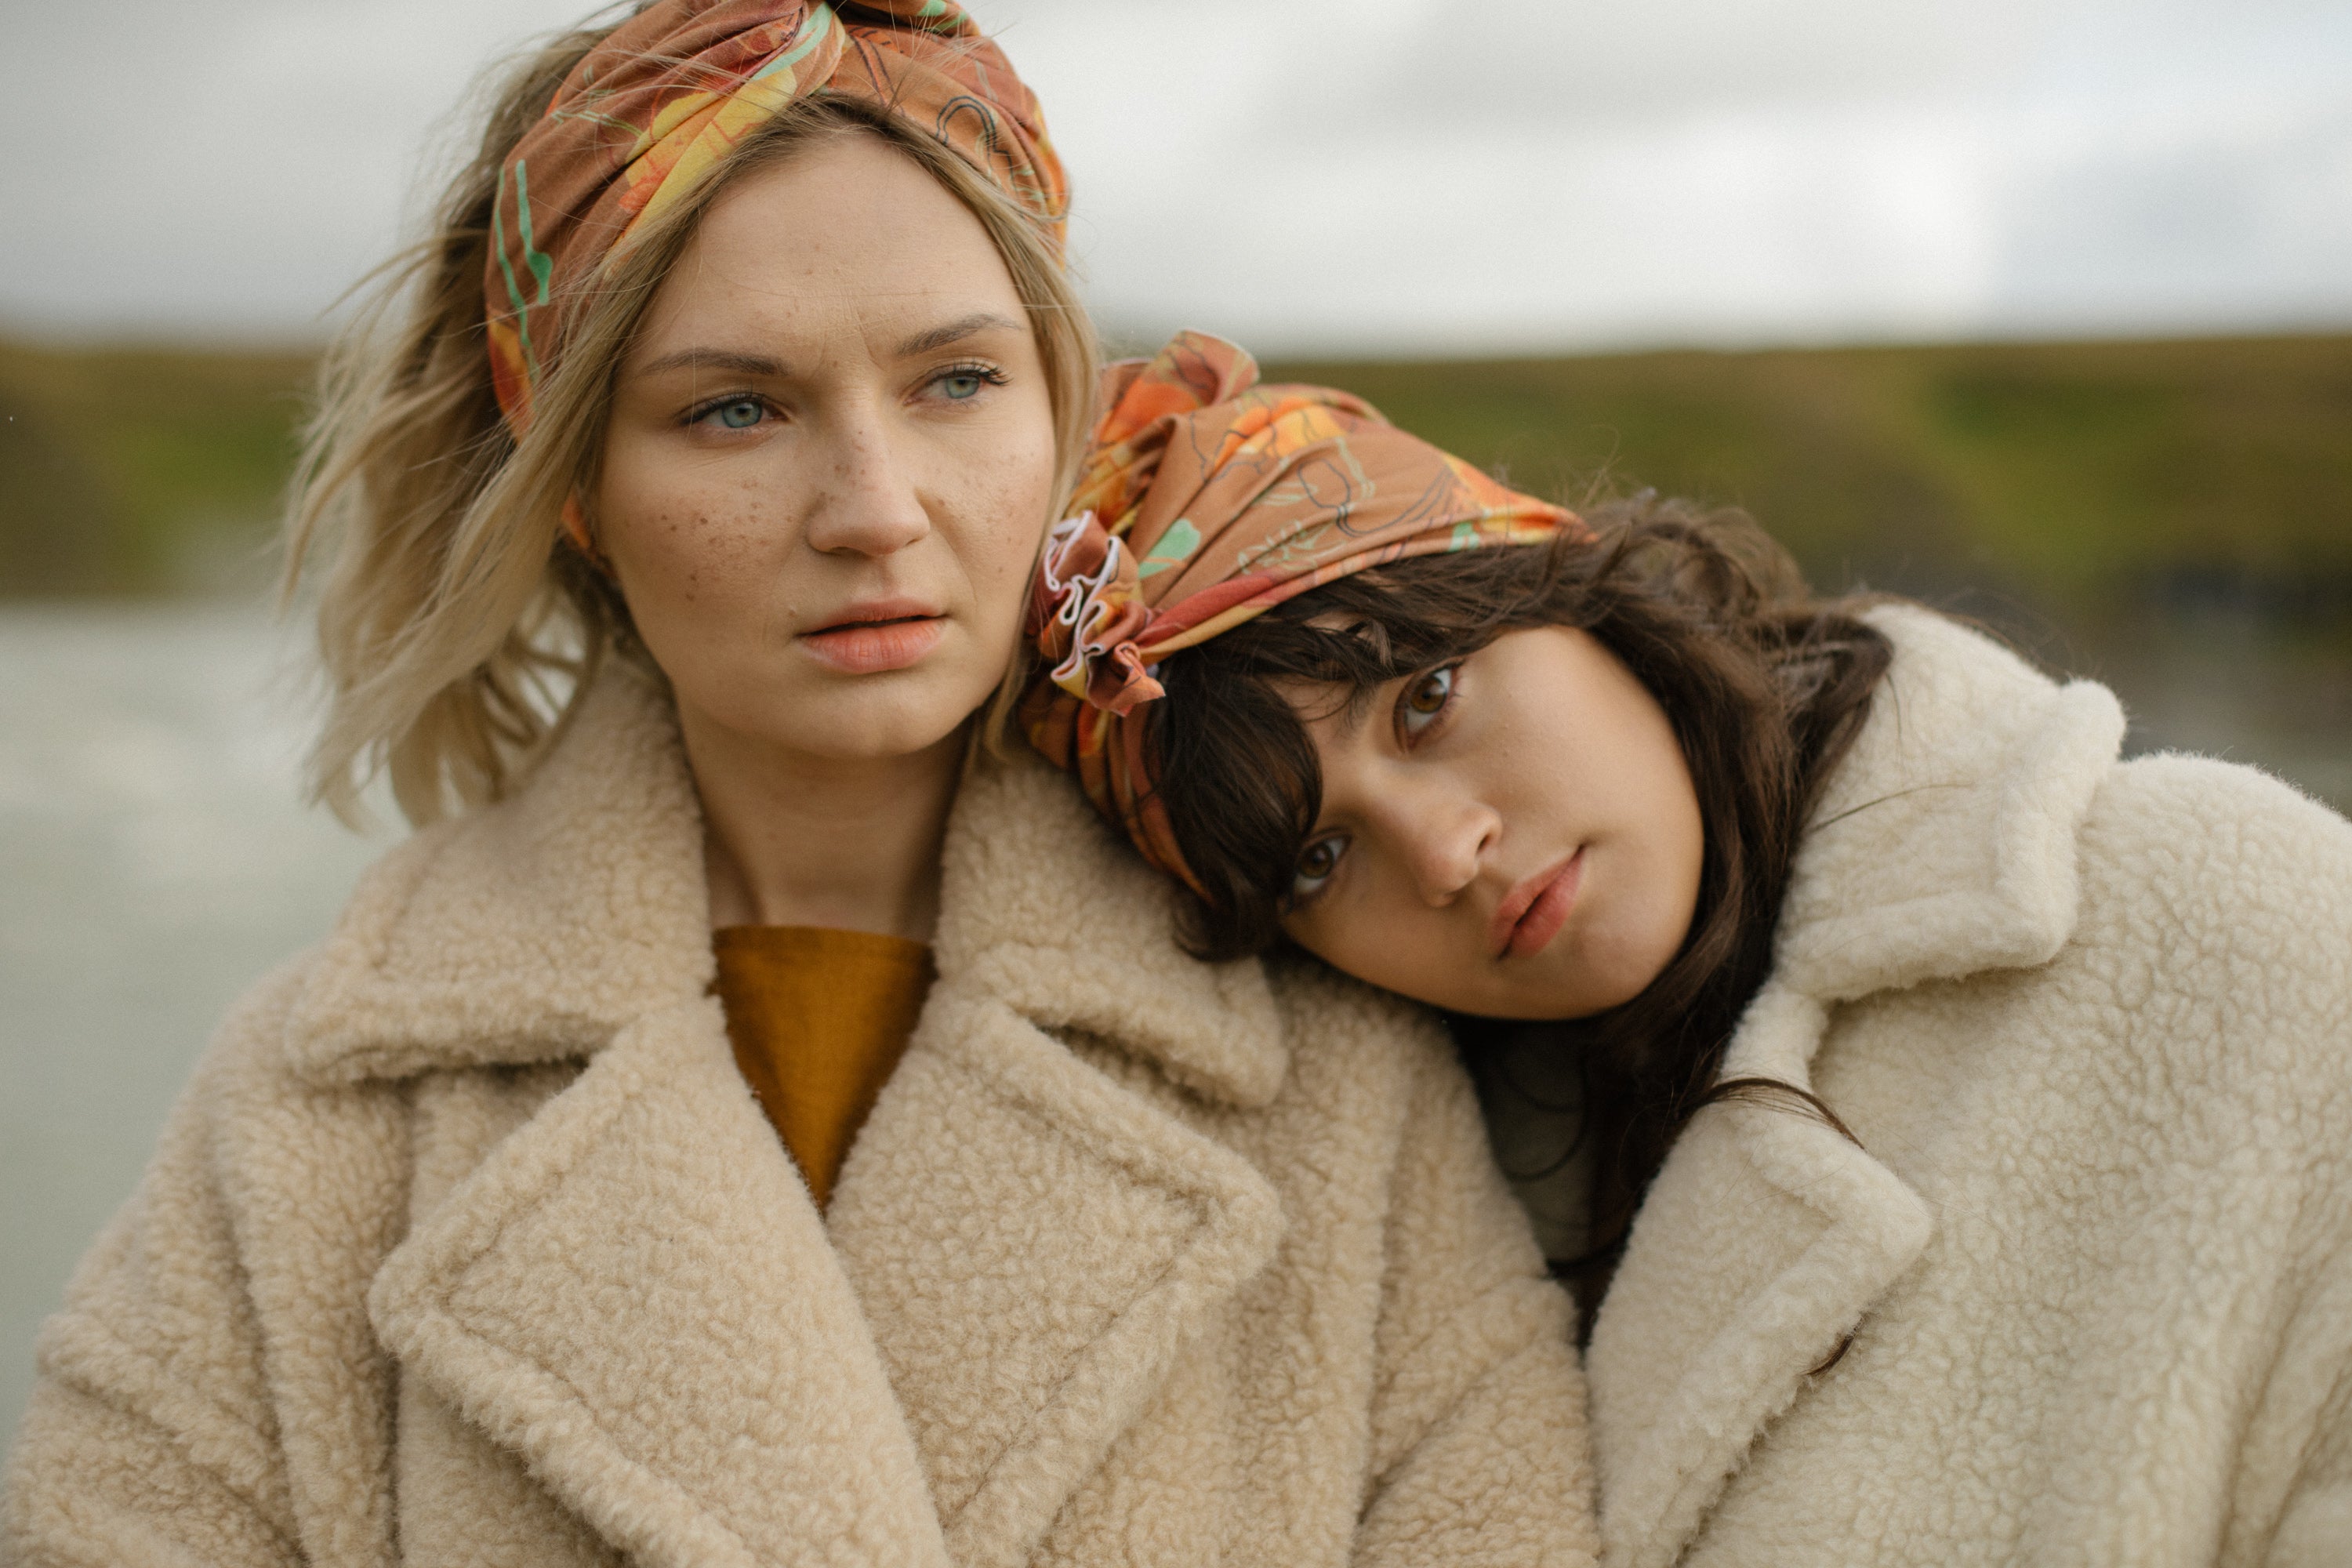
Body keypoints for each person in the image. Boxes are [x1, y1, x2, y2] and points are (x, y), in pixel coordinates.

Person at [0, 10, 1601, 1566]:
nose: (873, 509)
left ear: (1061, 412)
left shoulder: (1327, 1036)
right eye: (735, 409)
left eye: (956, 382)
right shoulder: (315, 1114)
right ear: (576, 492)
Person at [1025, 329, 2352, 1566]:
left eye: (1427, 697)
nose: (1442, 855)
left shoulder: (2225, 914)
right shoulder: (1419, 1216)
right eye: (1317, 859)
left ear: (1560, 588)